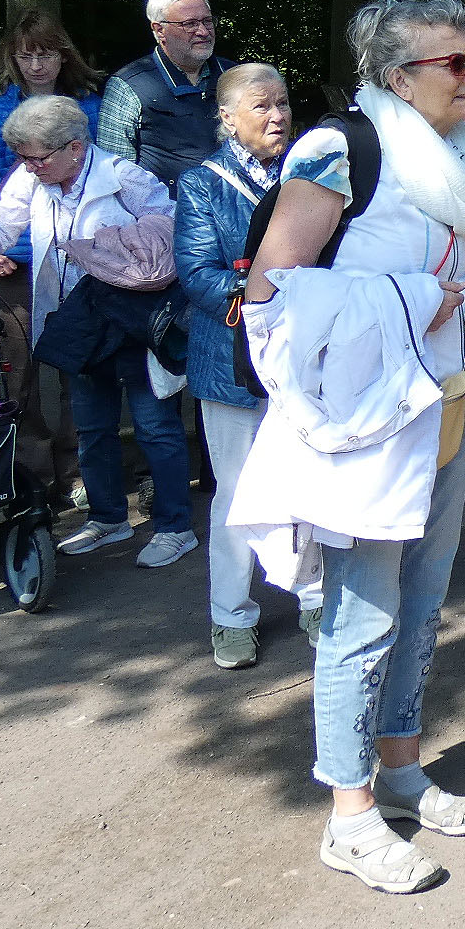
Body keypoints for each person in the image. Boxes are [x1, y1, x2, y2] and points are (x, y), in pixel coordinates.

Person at [224, 0, 465, 894]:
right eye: (452, 64)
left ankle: (405, 768)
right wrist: (414, 302)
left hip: (450, 406)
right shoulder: (340, 149)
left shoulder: (464, 156)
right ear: (397, 77)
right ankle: (349, 816)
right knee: (361, 617)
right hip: (370, 426)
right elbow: (271, 298)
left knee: (425, 600)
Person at [0, 96, 193, 561]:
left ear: (75, 148)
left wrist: (119, 246)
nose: (28, 167)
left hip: (132, 319)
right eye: (23, 157)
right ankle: (107, 519)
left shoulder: (124, 177)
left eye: (37, 158)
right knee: (92, 427)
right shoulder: (30, 178)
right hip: (75, 320)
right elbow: (2, 220)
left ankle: (175, 527)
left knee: (155, 424)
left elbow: (174, 223)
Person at [173, 64, 325, 666]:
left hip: (304, 357)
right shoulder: (202, 184)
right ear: (227, 117)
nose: (278, 115)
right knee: (238, 492)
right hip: (231, 361)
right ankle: (231, 614)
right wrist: (268, 301)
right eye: (262, 106)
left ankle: (314, 596)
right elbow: (197, 274)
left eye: (284, 103)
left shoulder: (313, 175)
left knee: (310, 484)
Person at [0, 9, 103, 508]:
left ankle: (79, 467)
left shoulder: (90, 109)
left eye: (47, 52)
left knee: (83, 365)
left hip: (78, 255)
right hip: (10, 258)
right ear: (10, 56)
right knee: (19, 369)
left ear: (64, 55)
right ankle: (29, 470)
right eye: (26, 53)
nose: (36, 64)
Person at [98, 0, 235, 188]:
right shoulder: (129, 85)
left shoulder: (234, 77)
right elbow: (114, 170)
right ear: (159, 30)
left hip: (238, 204)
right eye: (190, 24)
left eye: (208, 21)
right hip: (164, 210)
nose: (203, 31)